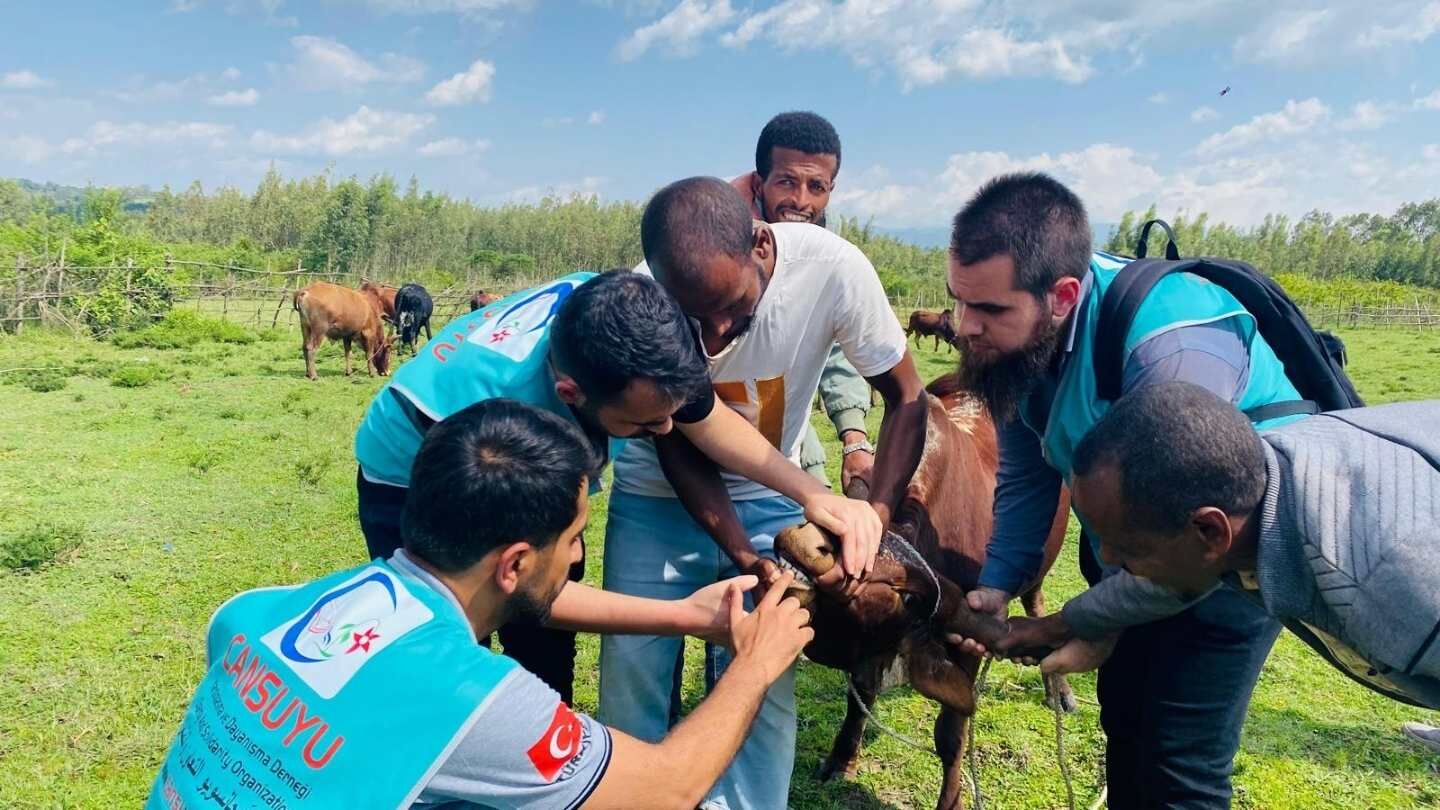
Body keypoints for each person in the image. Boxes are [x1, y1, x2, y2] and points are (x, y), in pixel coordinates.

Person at [148, 398, 816, 809]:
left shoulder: (272, 608)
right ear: (515, 563)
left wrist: (688, 616)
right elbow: (666, 790)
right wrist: (756, 663)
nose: (579, 557)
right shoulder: (475, 700)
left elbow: (536, 599)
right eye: (575, 538)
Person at [943, 173, 1308, 808]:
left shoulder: (1171, 350)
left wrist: (1069, 622)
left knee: (1178, 760)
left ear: (1061, 296)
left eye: (991, 310)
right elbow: (1030, 471)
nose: (965, 328)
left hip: (1225, 556)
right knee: (1127, 725)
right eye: (959, 301)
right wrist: (997, 584)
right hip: (1132, 544)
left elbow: (1190, 545)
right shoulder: (1020, 348)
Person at [352, 271, 876, 705]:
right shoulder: (509, 432)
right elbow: (533, 593)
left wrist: (814, 493)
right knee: (452, 642)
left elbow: (704, 419)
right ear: (571, 397)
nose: (667, 433)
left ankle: (542, 729)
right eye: (645, 426)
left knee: (544, 658)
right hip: (410, 465)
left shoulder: (629, 324)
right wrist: (685, 617)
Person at [600, 176, 928, 809]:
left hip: (775, 493)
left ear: (758, 243)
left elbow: (909, 395)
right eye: (697, 316)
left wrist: (876, 515)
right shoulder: (646, 292)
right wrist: (743, 554)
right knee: (631, 673)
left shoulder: (832, 269)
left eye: (730, 304)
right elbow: (676, 435)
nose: (717, 332)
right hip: (654, 495)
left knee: (764, 673)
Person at [1039, 382, 1440, 713]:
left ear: (1211, 532)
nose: (1106, 557)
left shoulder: (1388, 581)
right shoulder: (1258, 482)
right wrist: (1068, 624)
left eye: (1129, 547)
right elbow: (1177, 580)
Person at [729, 111, 875, 492]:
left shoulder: (830, 246)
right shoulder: (722, 237)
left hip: (784, 429)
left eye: (817, 187)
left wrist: (854, 438)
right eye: (787, 182)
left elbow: (839, 344)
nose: (800, 200)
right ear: (759, 184)